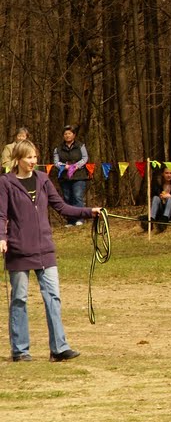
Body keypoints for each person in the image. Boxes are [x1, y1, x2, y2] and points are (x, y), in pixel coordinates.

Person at [1, 140, 100, 362]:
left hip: (45, 249)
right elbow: (1, 214)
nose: (32, 161)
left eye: (35, 157)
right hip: (18, 249)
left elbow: (62, 207)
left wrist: (89, 212)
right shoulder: (6, 182)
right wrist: (2, 238)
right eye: (28, 157)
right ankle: (20, 350)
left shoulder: (43, 179)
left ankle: (59, 348)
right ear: (18, 159)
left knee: (53, 297)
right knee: (19, 299)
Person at [52, 124, 90, 227]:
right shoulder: (58, 149)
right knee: (67, 198)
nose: (67, 136)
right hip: (64, 176)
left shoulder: (81, 146)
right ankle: (70, 221)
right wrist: (65, 166)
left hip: (79, 175)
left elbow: (85, 158)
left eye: (69, 133)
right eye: (65, 134)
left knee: (77, 197)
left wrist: (76, 166)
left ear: (74, 135)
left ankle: (80, 219)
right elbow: (56, 162)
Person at [143, 166, 171, 232]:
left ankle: (164, 220)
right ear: (162, 174)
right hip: (162, 208)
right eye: (166, 173)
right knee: (155, 198)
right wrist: (160, 197)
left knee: (170, 199)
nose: (169, 175)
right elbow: (152, 198)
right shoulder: (158, 184)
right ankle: (151, 220)